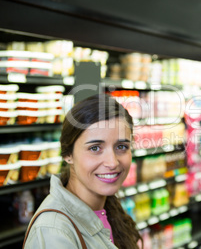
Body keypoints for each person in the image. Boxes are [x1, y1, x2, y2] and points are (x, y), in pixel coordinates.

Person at [23, 94, 142, 249]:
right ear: (68, 154)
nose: (112, 163)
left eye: (121, 147)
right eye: (95, 148)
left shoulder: (107, 208)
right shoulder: (53, 231)